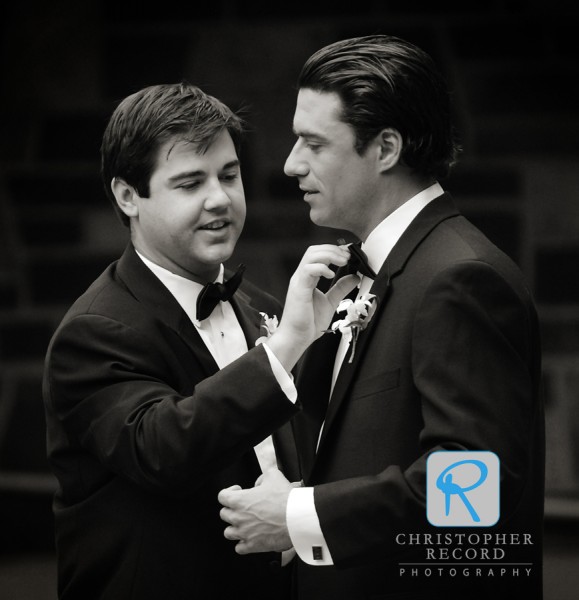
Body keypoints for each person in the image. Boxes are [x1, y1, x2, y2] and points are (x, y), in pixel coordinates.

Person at [218, 35, 544, 599]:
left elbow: (475, 486)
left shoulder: (459, 278)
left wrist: (302, 514)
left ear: (386, 148)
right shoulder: (372, 269)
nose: (291, 164)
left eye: (313, 143)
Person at [42, 82, 358, 600]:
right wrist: (286, 347)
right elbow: (164, 449)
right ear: (128, 196)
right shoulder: (94, 331)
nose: (220, 198)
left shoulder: (259, 306)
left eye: (229, 175)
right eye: (190, 183)